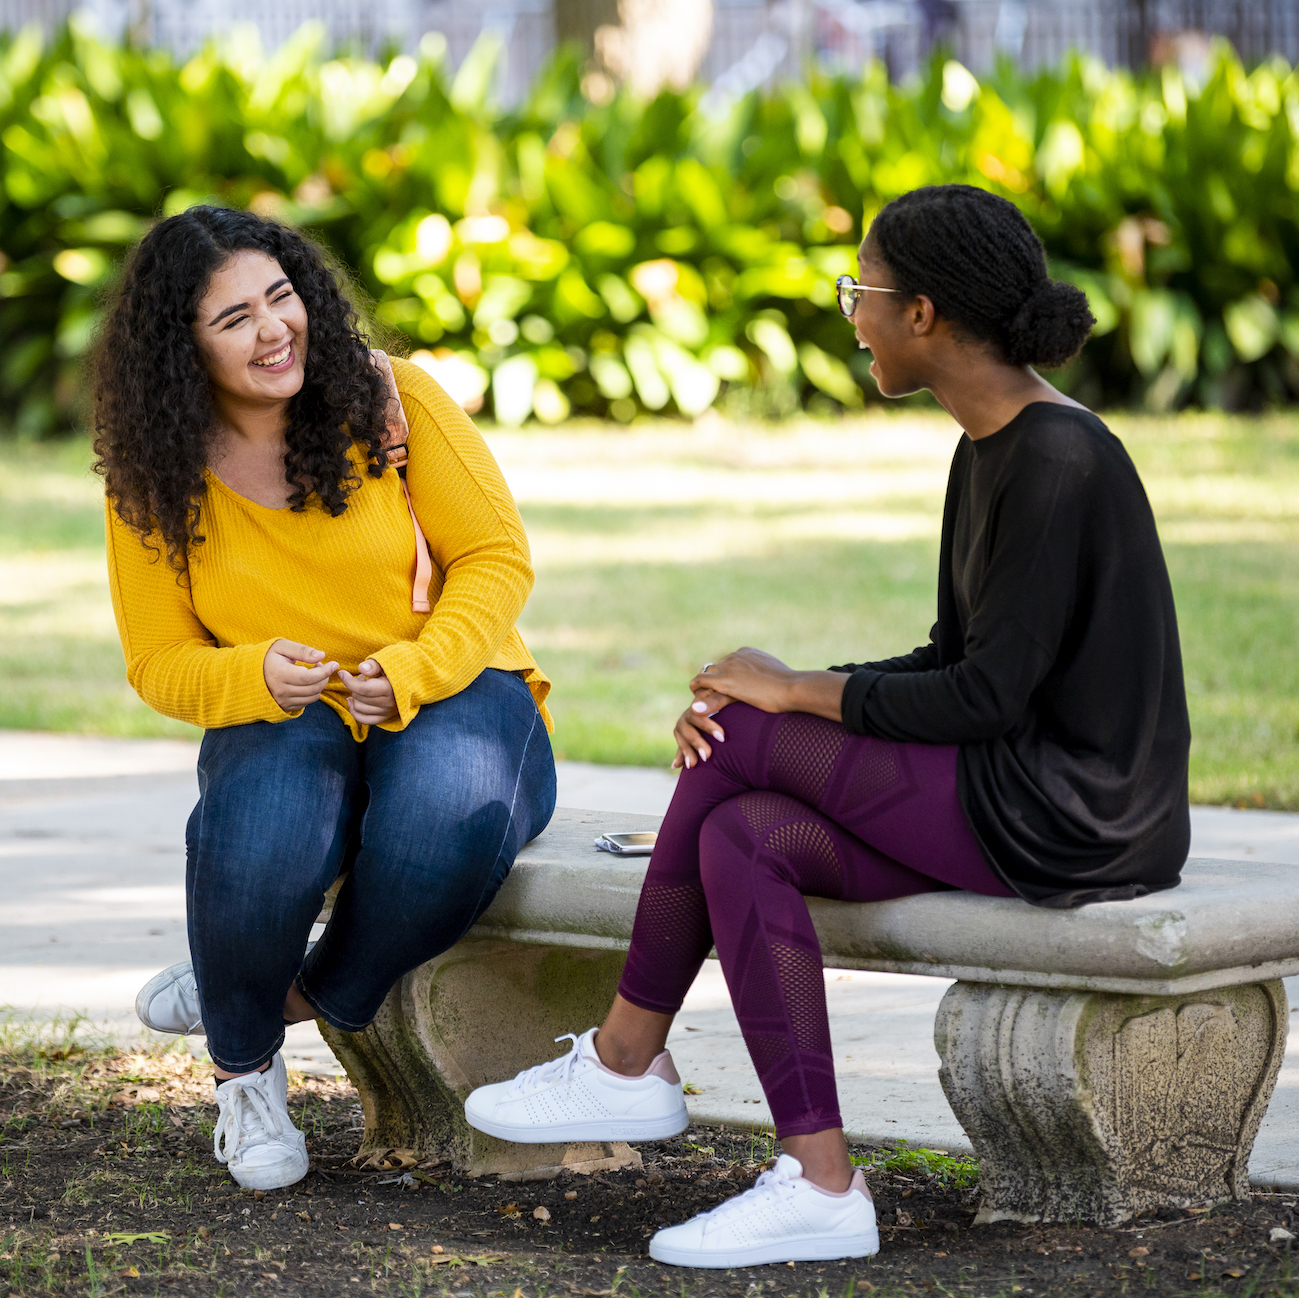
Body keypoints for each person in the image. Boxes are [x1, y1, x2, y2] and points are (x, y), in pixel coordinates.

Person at [463, 184, 1191, 1268]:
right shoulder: (988, 446)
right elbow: (955, 658)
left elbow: (986, 697)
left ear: (926, 315)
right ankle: (819, 1178)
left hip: (1076, 811)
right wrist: (777, 687)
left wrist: (793, 691)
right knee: (738, 832)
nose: (852, 313)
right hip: (1012, 785)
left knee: (751, 736)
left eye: (864, 290)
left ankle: (626, 1056)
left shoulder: (1058, 459)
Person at [97, 206, 556, 1192]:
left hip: (455, 680)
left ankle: (275, 993)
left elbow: (496, 556)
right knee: (263, 829)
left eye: (281, 296)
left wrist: (418, 667)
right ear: (182, 353)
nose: (274, 330)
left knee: (445, 822)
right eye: (234, 319)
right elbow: (158, 659)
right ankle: (245, 1074)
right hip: (286, 703)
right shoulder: (155, 477)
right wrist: (249, 674)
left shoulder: (393, 398)